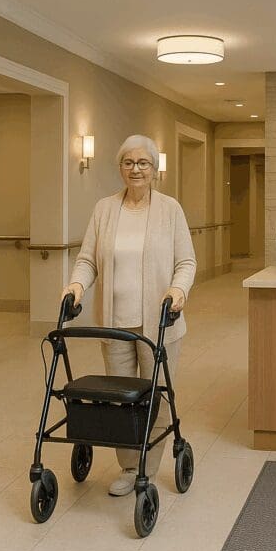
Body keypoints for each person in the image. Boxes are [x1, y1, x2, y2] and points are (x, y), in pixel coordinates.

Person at [61, 134, 196, 496]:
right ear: (120, 167)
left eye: (143, 163)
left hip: (159, 324)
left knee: (157, 397)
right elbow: (88, 259)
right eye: (129, 163)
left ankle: (147, 469)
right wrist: (76, 285)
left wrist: (177, 291)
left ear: (154, 169)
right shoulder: (105, 208)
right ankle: (129, 466)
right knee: (121, 400)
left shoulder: (170, 209)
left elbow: (186, 261)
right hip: (115, 325)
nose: (136, 170)